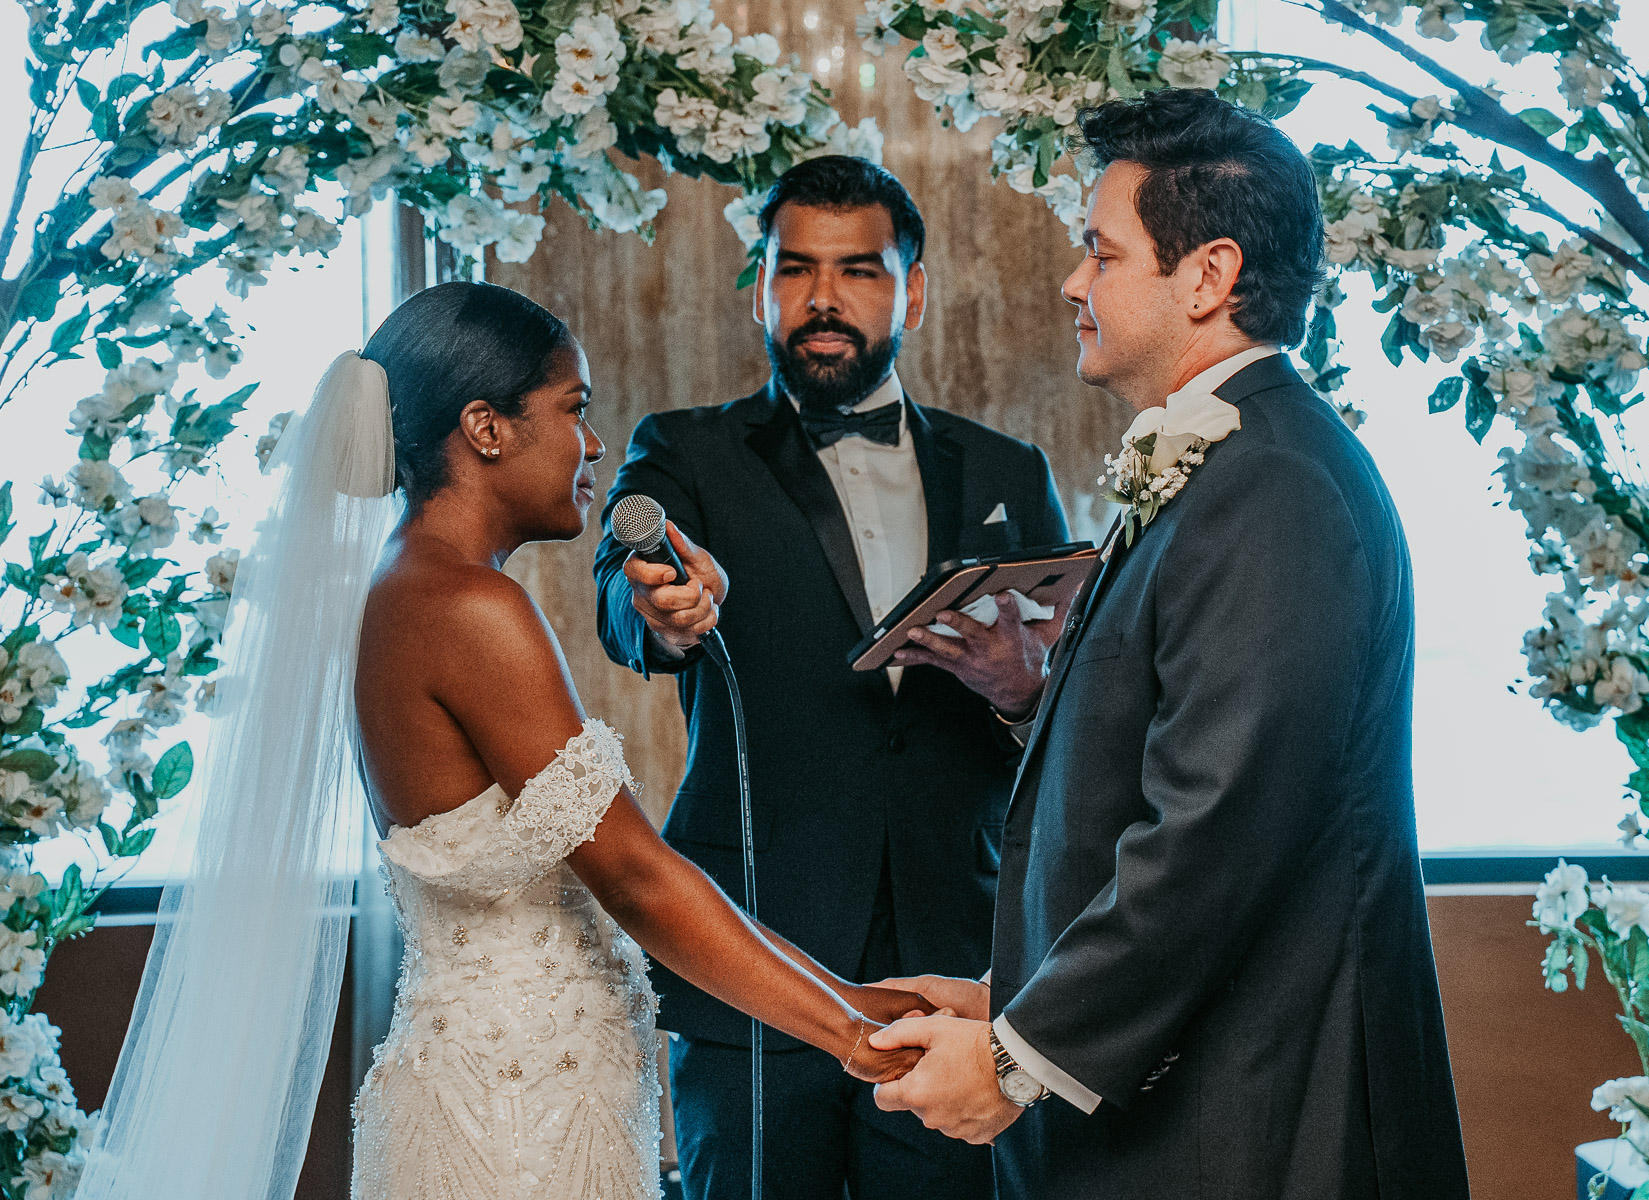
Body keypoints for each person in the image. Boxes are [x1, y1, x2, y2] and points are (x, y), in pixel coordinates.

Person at [73, 282, 929, 1200]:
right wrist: (849, 1029)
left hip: (504, 1087)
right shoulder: (471, 607)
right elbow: (634, 876)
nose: (593, 444)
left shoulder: (406, 589)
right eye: (573, 409)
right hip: (519, 1122)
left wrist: (853, 1004)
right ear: (486, 428)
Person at [866, 91, 1471, 1199]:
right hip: (1179, 1104)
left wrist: (1019, 1056)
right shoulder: (1229, 463)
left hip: (1251, 1123)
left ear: (1207, 277)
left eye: (1101, 252)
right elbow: (1160, 767)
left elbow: (1214, 823)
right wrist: (1014, 990)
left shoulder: (1273, 486)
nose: (1073, 284)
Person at [593, 156, 1069, 1200]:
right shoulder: (684, 450)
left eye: (858, 270)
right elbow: (624, 591)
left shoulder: (1010, 473)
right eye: (794, 268)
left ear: (915, 289)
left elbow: (1077, 722)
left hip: (955, 960)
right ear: (758, 283)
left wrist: (1023, 691)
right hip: (753, 953)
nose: (822, 298)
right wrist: (659, 609)